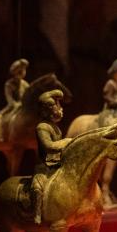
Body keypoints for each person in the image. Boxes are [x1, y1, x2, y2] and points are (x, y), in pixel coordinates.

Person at [32, 89, 72, 224]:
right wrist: (67, 142)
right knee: (38, 187)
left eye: (59, 106)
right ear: (48, 110)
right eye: (57, 106)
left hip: (57, 163)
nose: (61, 109)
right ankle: (37, 213)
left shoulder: (55, 127)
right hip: (45, 165)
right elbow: (49, 146)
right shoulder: (42, 127)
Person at [98, 56, 117, 126]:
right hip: (111, 110)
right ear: (116, 70)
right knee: (109, 123)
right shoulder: (110, 83)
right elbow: (107, 98)